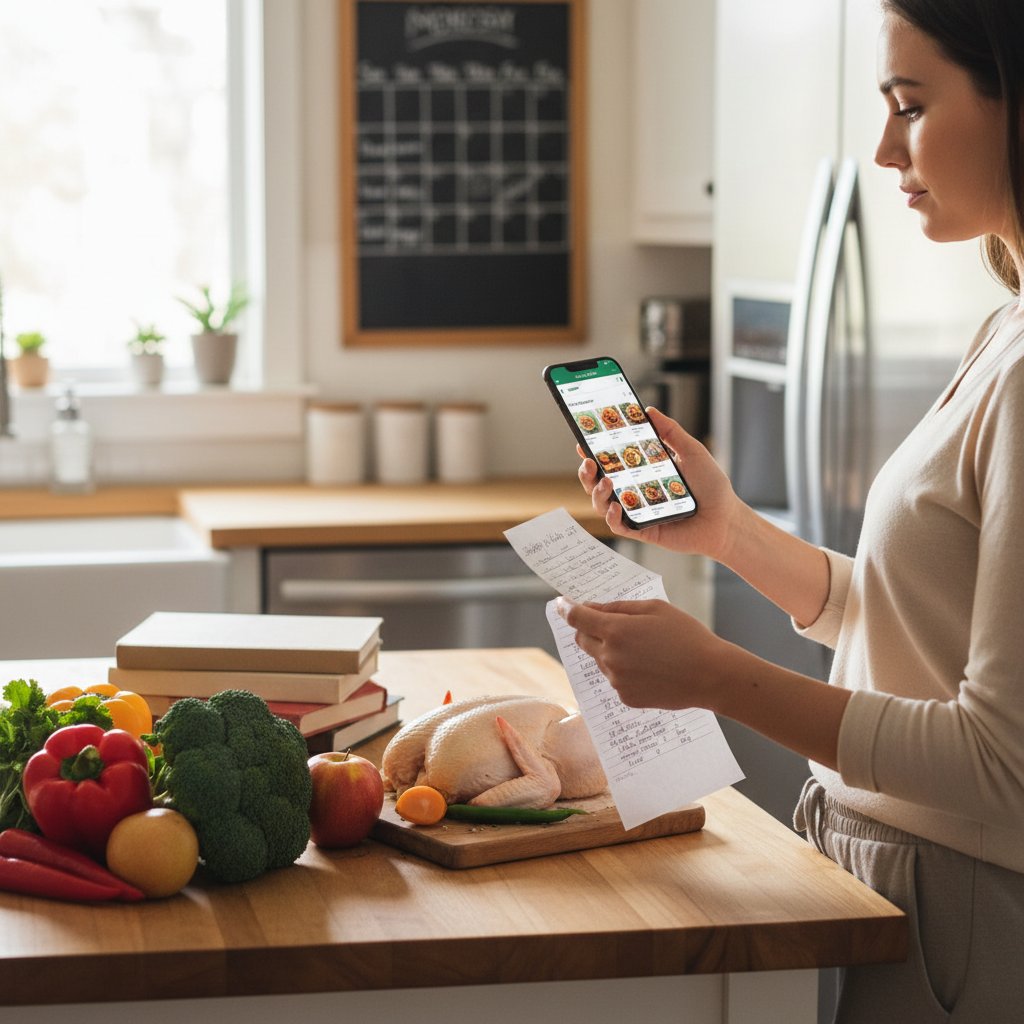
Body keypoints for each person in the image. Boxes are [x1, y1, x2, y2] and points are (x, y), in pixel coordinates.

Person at [562, 1, 1024, 1021]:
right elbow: (918, 621)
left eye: (910, 105)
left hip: (967, 916)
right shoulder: (1004, 329)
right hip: (895, 882)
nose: (881, 147)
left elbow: (1001, 764)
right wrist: (727, 531)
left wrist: (714, 676)